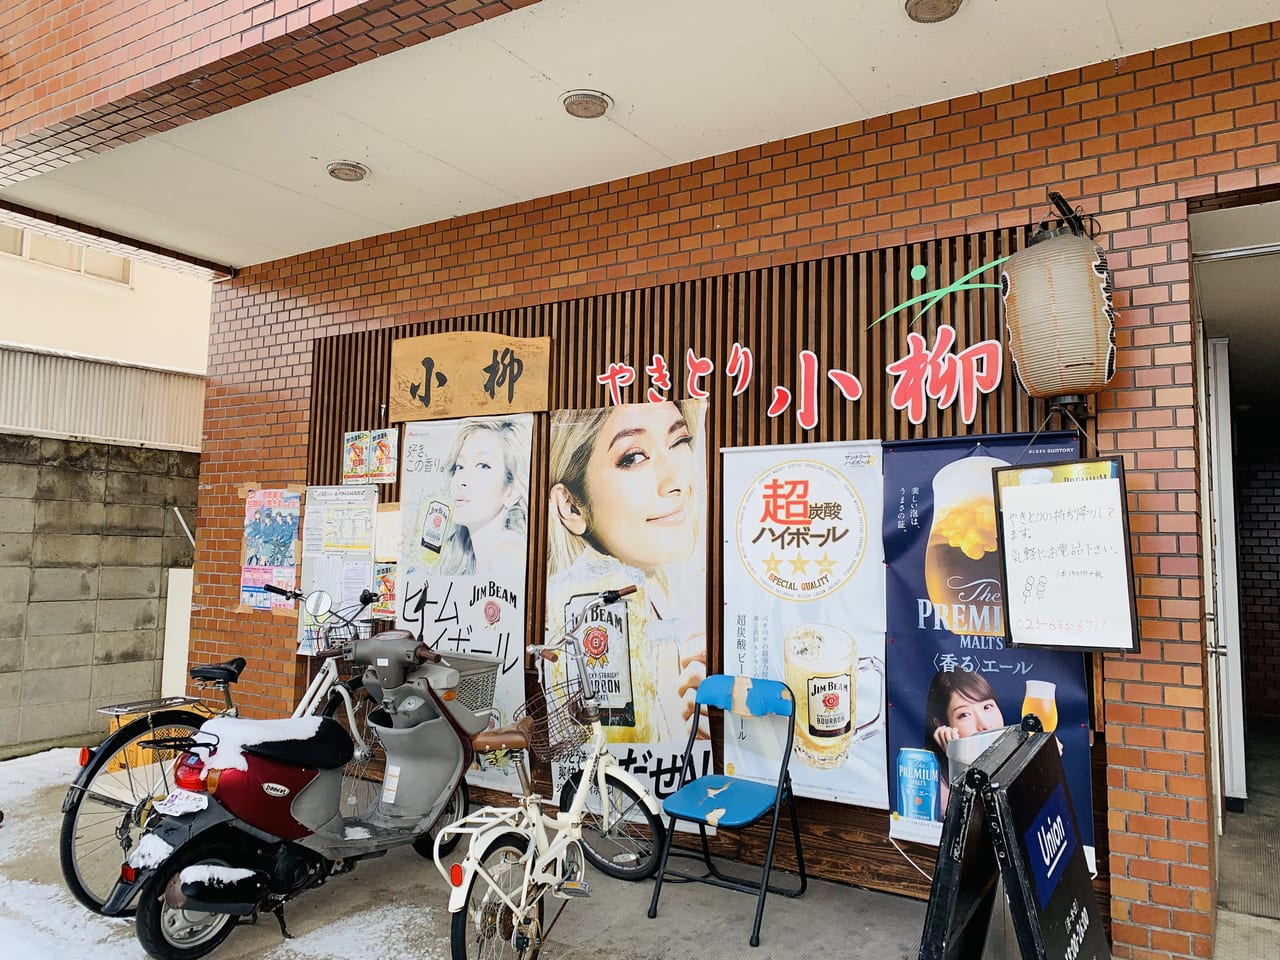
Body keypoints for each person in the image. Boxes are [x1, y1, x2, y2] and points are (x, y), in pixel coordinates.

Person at [547, 400, 707, 742]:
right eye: (634, 457)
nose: (676, 482)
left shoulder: (667, 600)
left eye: (679, 441)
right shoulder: (584, 615)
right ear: (571, 506)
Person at [436, 418, 530, 582]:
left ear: (511, 491)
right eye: (460, 466)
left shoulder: (508, 555)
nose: (461, 480)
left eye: (483, 466)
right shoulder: (465, 557)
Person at [923, 670, 1005, 815]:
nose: (984, 725)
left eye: (987, 707)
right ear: (942, 725)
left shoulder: (1012, 747)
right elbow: (971, 822)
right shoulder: (927, 774)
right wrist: (958, 761)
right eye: (965, 715)